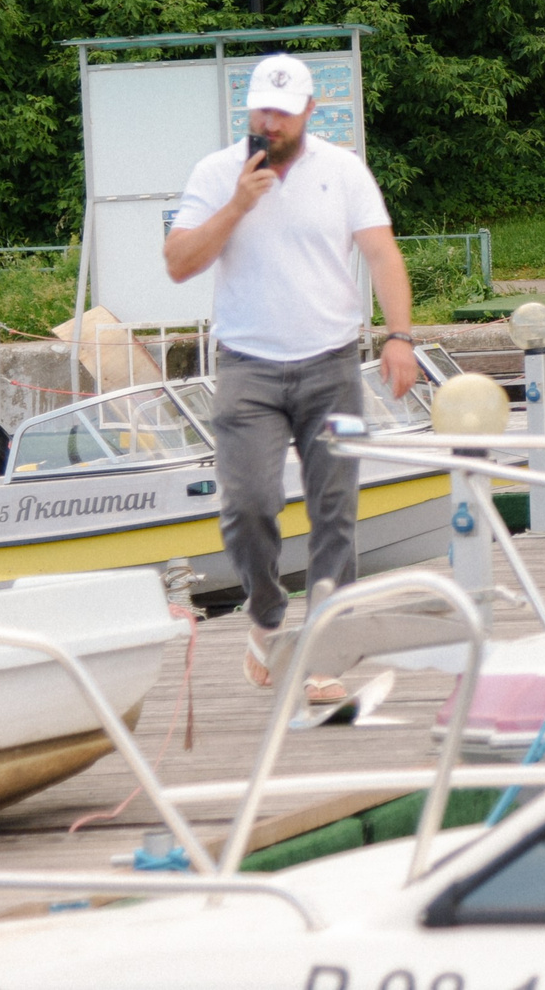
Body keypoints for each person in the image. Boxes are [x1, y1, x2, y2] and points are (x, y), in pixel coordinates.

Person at [164, 53, 420, 701]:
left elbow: (382, 252)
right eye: (261, 109)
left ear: (310, 111)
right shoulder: (218, 172)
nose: (269, 122)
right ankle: (267, 613)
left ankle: (325, 651)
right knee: (248, 503)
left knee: (336, 511)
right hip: (248, 369)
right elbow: (178, 263)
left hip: (331, 364)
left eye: (282, 110)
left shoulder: (343, 171)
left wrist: (399, 337)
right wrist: (235, 207)